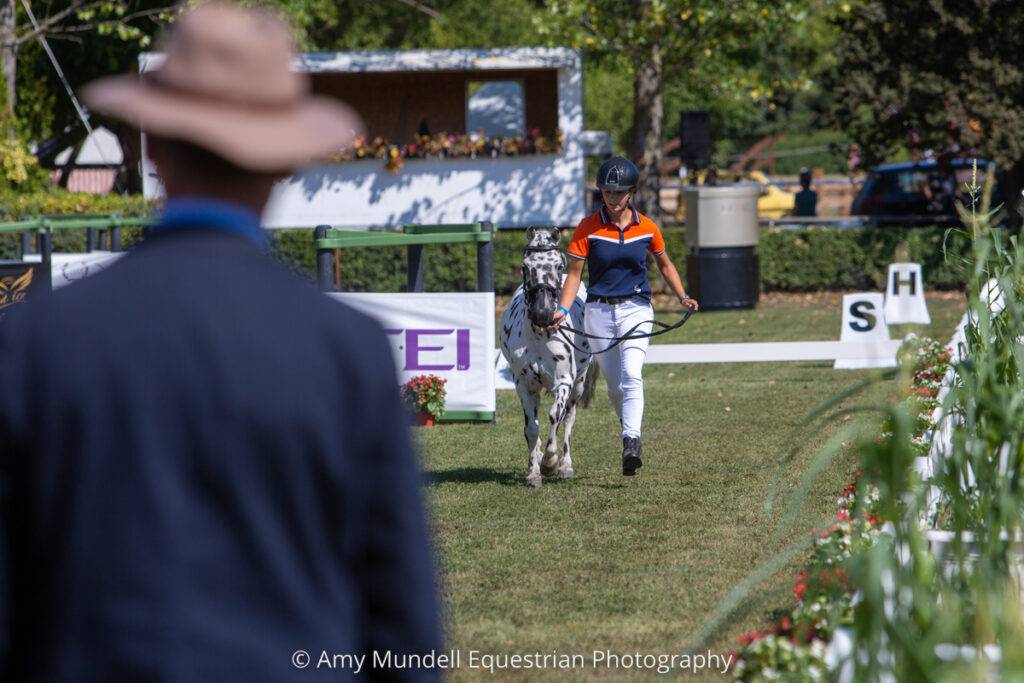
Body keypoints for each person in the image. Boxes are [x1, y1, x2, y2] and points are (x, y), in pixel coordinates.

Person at [0, 3, 442, 681]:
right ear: (284, 160)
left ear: (154, 144)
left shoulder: (36, 339)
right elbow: (403, 630)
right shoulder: (346, 350)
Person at [549, 156, 698, 475]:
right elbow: (574, 275)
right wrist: (562, 309)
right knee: (616, 387)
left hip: (636, 308)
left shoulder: (647, 227)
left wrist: (682, 296)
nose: (612, 198)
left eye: (619, 192)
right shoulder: (588, 228)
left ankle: (631, 440)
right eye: (607, 192)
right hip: (599, 312)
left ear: (631, 192)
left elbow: (665, 265)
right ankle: (627, 423)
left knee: (632, 374)